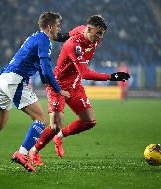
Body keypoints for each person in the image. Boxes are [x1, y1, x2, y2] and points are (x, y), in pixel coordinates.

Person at [0, 12, 70, 172]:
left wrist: (45, 81)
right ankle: (22, 153)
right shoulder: (45, 40)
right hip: (15, 80)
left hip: (2, 80)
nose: (59, 29)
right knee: (41, 119)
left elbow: (42, 71)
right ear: (50, 26)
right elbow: (47, 69)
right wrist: (58, 89)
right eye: (57, 25)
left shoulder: (34, 37)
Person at [29, 15, 130, 166]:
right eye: (98, 33)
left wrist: (56, 36)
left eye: (102, 33)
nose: (100, 38)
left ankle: (60, 137)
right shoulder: (74, 45)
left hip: (75, 85)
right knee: (55, 125)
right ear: (89, 29)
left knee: (89, 121)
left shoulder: (83, 31)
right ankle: (33, 151)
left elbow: (63, 35)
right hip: (59, 85)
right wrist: (111, 76)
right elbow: (85, 73)